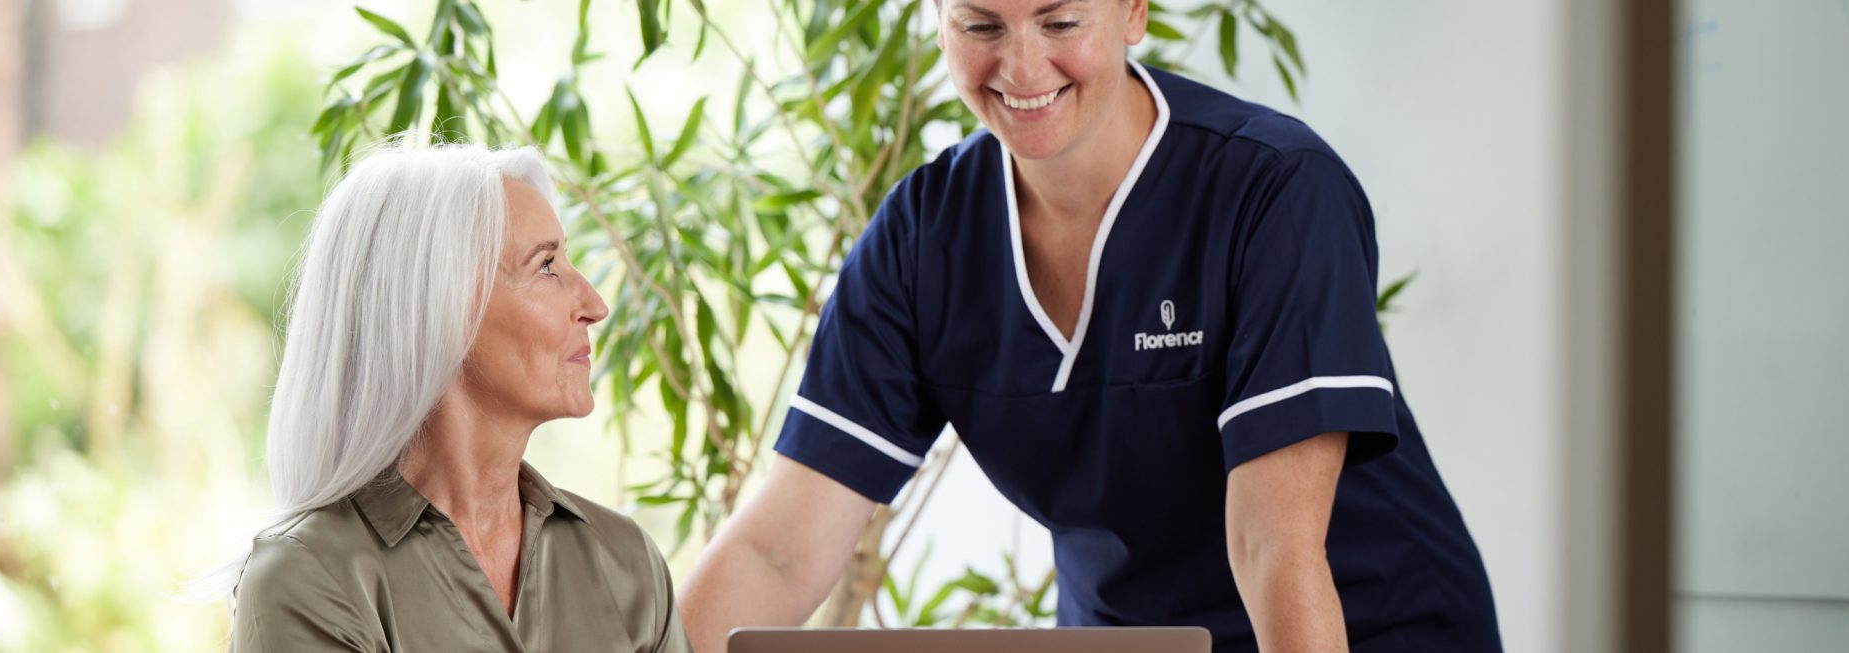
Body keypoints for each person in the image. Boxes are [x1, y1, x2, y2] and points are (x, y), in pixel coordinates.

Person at [677, 1, 1500, 651]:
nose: (1022, 66)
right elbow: (775, 553)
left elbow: (1273, 547)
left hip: (1360, 629)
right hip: (1135, 642)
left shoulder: (1276, 192)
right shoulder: (923, 242)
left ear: (1133, 11)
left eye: (1061, 20)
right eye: (980, 25)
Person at [216, 143, 689, 652]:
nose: (595, 305)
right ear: (437, 305)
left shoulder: (627, 562)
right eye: (547, 265)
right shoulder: (308, 581)